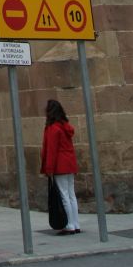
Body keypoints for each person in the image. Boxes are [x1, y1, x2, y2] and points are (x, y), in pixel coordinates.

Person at [40, 99, 80, 235]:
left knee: (64, 195)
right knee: (71, 194)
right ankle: (75, 223)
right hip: (69, 163)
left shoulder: (53, 128)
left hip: (60, 165)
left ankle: (68, 225)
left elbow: (51, 150)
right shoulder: (65, 126)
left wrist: (49, 169)